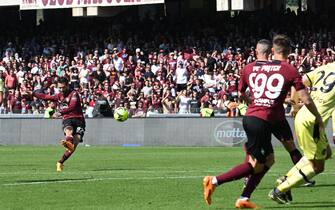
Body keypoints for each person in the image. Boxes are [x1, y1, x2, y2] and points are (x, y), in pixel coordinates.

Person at [202, 35, 323, 209]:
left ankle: (244, 198)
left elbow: (244, 92)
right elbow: (307, 99)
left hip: (256, 118)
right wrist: (318, 117)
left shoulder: (251, 68)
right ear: (289, 52)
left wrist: (255, 103)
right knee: (255, 165)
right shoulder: (289, 69)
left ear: (272, 51)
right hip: (262, 120)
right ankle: (213, 181)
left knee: (269, 160)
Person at [269, 61, 335, 204]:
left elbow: (299, 81)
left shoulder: (327, 67)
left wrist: (294, 103)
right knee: (317, 166)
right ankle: (279, 191)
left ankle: (286, 179)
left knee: (326, 153)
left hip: (304, 115)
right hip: (313, 122)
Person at [32, 77, 86, 172]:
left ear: (67, 85)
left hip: (79, 119)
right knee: (68, 130)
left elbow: (72, 107)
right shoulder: (59, 96)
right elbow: (46, 97)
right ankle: (68, 141)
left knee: (75, 142)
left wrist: (60, 113)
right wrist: (34, 93)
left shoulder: (74, 94)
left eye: (63, 87)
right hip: (67, 118)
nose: (61, 89)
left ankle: (60, 162)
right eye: (59, 88)